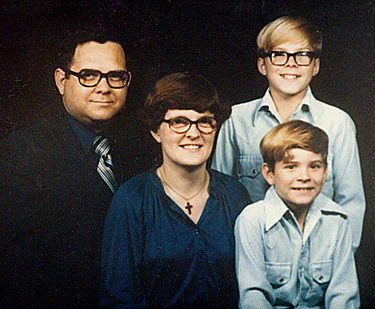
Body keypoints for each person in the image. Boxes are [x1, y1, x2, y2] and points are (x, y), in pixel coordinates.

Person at [0, 28, 157, 308]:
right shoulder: (21, 153)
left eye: (115, 77)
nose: (103, 88)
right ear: (61, 81)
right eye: (88, 75)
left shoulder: (146, 145)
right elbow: (18, 267)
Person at [211, 15, 365, 250]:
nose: (290, 64)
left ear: (315, 66)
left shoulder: (337, 123)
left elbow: (351, 203)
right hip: (252, 256)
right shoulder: (235, 121)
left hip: (318, 259)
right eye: (279, 54)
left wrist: (337, 261)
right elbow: (219, 197)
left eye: (302, 55)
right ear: (263, 65)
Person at [100, 72, 251, 309]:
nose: (193, 133)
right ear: (156, 131)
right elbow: (120, 299)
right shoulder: (132, 200)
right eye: (178, 121)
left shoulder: (235, 195)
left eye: (205, 121)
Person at [235, 120, 360, 308]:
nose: (304, 177)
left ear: (326, 172)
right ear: (269, 173)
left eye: (315, 166)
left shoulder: (337, 220)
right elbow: (253, 296)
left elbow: (343, 294)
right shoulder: (252, 220)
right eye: (291, 166)